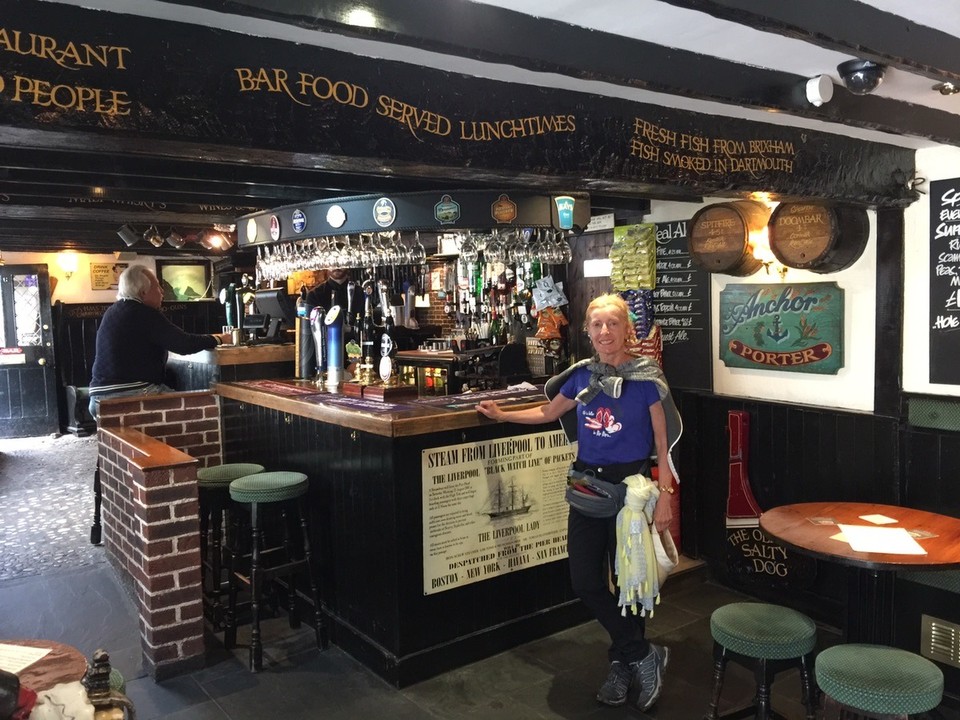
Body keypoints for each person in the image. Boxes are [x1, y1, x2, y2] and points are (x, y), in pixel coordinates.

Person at [476, 293, 679, 712]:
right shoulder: (581, 377)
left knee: (630, 585)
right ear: (588, 332)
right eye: (597, 325)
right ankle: (643, 655)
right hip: (587, 486)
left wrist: (666, 498)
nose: (605, 332)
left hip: (633, 493)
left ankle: (622, 666)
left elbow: (662, 444)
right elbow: (549, 413)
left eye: (613, 324)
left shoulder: (647, 378)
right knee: (585, 581)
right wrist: (503, 414)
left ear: (627, 329)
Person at [88, 265, 232, 419]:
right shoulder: (143, 313)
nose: (162, 292)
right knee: (200, 411)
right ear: (143, 292)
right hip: (129, 393)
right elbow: (183, 344)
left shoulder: (114, 310)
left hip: (98, 398)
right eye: (157, 287)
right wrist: (219, 338)